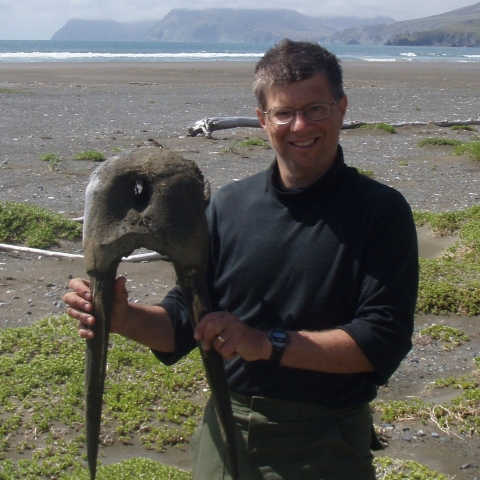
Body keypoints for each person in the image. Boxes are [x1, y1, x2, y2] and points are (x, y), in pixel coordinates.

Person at [64, 39, 418, 480]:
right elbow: (183, 322)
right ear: (262, 120)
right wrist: (123, 317)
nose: (299, 125)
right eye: (283, 113)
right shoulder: (230, 206)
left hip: (323, 441)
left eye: (316, 109)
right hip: (224, 431)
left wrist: (265, 343)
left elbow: (382, 340)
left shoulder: (380, 212)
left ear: (342, 108)